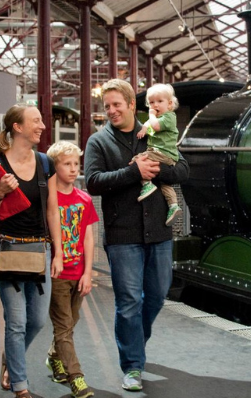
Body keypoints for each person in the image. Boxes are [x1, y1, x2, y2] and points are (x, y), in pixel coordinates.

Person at [84, 79, 189, 392]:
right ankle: (132, 365)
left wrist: (153, 170)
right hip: (122, 235)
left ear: (132, 105)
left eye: (117, 105)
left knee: (156, 296)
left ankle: (135, 347)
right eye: (107, 107)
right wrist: (133, 173)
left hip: (159, 231)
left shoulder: (155, 131)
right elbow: (92, 181)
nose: (112, 111)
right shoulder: (98, 142)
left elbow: (182, 169)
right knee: (129, 302)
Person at [0, 103, 63, 398]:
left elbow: (53, 211)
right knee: (16, 321)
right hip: (4, 248)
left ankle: (10, 362)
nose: (42, 126)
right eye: (36, 121)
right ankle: (20, 385)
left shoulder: (45, 163)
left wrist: (59, 253)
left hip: (39, 249)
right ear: (18, 127)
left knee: (37, 320)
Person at [43, 141, 98, 398]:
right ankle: (76, 377)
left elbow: (88, 238)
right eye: (67, 164)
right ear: (55, 166)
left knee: (71, 323)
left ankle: (54, 358)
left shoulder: (84, 199)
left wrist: (88, 272)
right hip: (57, 274)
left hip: (78, 273)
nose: (74, 169)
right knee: (63, 327)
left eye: (77, 164)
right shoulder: (48, 198)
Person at [134, 83, 182, 226]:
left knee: (138, 160)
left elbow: (154, 125)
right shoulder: (159, 117)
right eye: (151, 102)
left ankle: (147, 184)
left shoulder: (169, 117)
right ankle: (173, 205)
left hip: (162, 153)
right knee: (164, 184)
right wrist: (143, 129)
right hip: (166, 156)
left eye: (160, 101)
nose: (155, 105)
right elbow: (149, 125)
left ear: (170, 104)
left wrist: (150, 114)